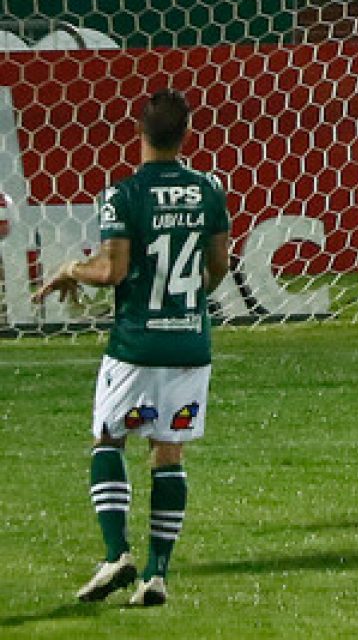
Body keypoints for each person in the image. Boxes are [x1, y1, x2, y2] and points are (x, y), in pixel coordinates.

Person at [32, 89, 230, 607]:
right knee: (168, 450)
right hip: (190, 344)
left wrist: (69, 269)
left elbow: (112, 271)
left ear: (139, 132)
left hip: (136, 346)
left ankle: (117, 552)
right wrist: (185, 303)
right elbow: (219, 267)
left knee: (108, 437)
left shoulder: (123, 194)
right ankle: (157, 574)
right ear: (186, 133)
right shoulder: (209, 189)